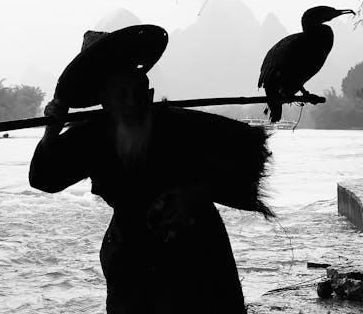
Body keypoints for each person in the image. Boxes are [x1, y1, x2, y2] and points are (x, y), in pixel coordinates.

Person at [29, 26, 273, 313]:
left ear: (150, 94)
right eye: (120, 94)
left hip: (198, 253)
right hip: (131, 260)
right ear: (105, 101)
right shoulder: (92, 137)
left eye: (137, 92)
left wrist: (195, 193)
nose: (132, 103)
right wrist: (52, 130)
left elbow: (248, 153)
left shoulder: (178, 125)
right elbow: (43, 178)